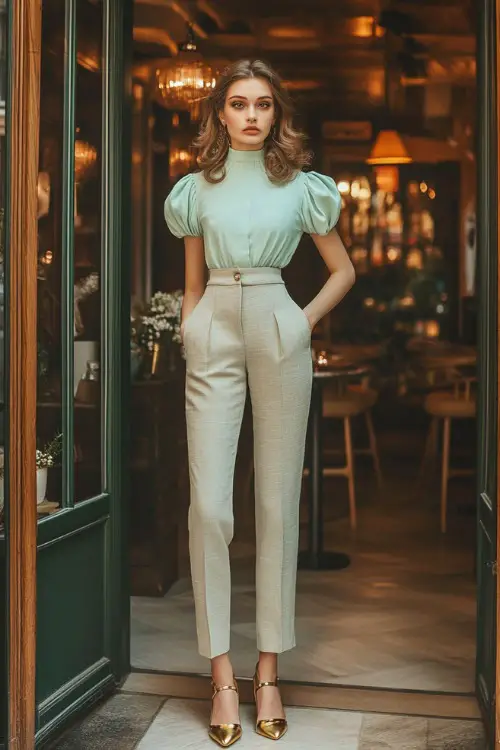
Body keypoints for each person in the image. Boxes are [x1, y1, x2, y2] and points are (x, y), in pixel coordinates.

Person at [164, 58, 355, 747]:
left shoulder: (301, 188)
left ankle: (267, 671)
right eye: (239, 103)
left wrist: (301, 321)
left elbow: (343, 270)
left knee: (277, 502)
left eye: (264, 105)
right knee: (210, 506)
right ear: (219, 113)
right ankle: (221, 675)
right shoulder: (195, 190)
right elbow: (190, 280)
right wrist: (192, 327)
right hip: (213, 322)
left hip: (279, 320)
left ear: (277, 115)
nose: (251, 115)